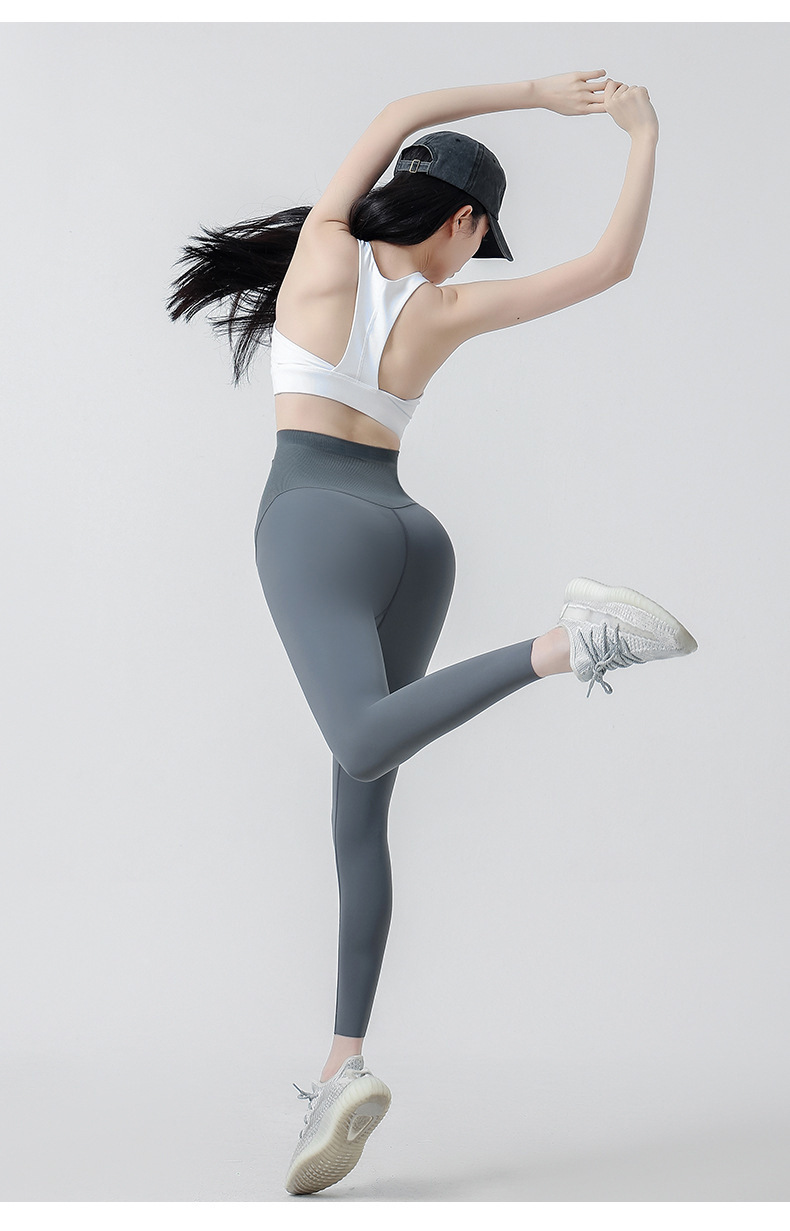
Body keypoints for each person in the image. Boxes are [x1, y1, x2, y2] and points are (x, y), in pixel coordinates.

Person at [167, 69, 697, 1196]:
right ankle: (341, 1067)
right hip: (415, 536)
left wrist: (539, 95)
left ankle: (566, 644)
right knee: (359, 799)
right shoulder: (446, 310)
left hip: (311, 524)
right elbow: (612, 264)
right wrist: (638, 135)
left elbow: (399, 113)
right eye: (479, 237)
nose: (473, 258)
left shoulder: (321, 253)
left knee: (361, 743)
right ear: (458, 221)